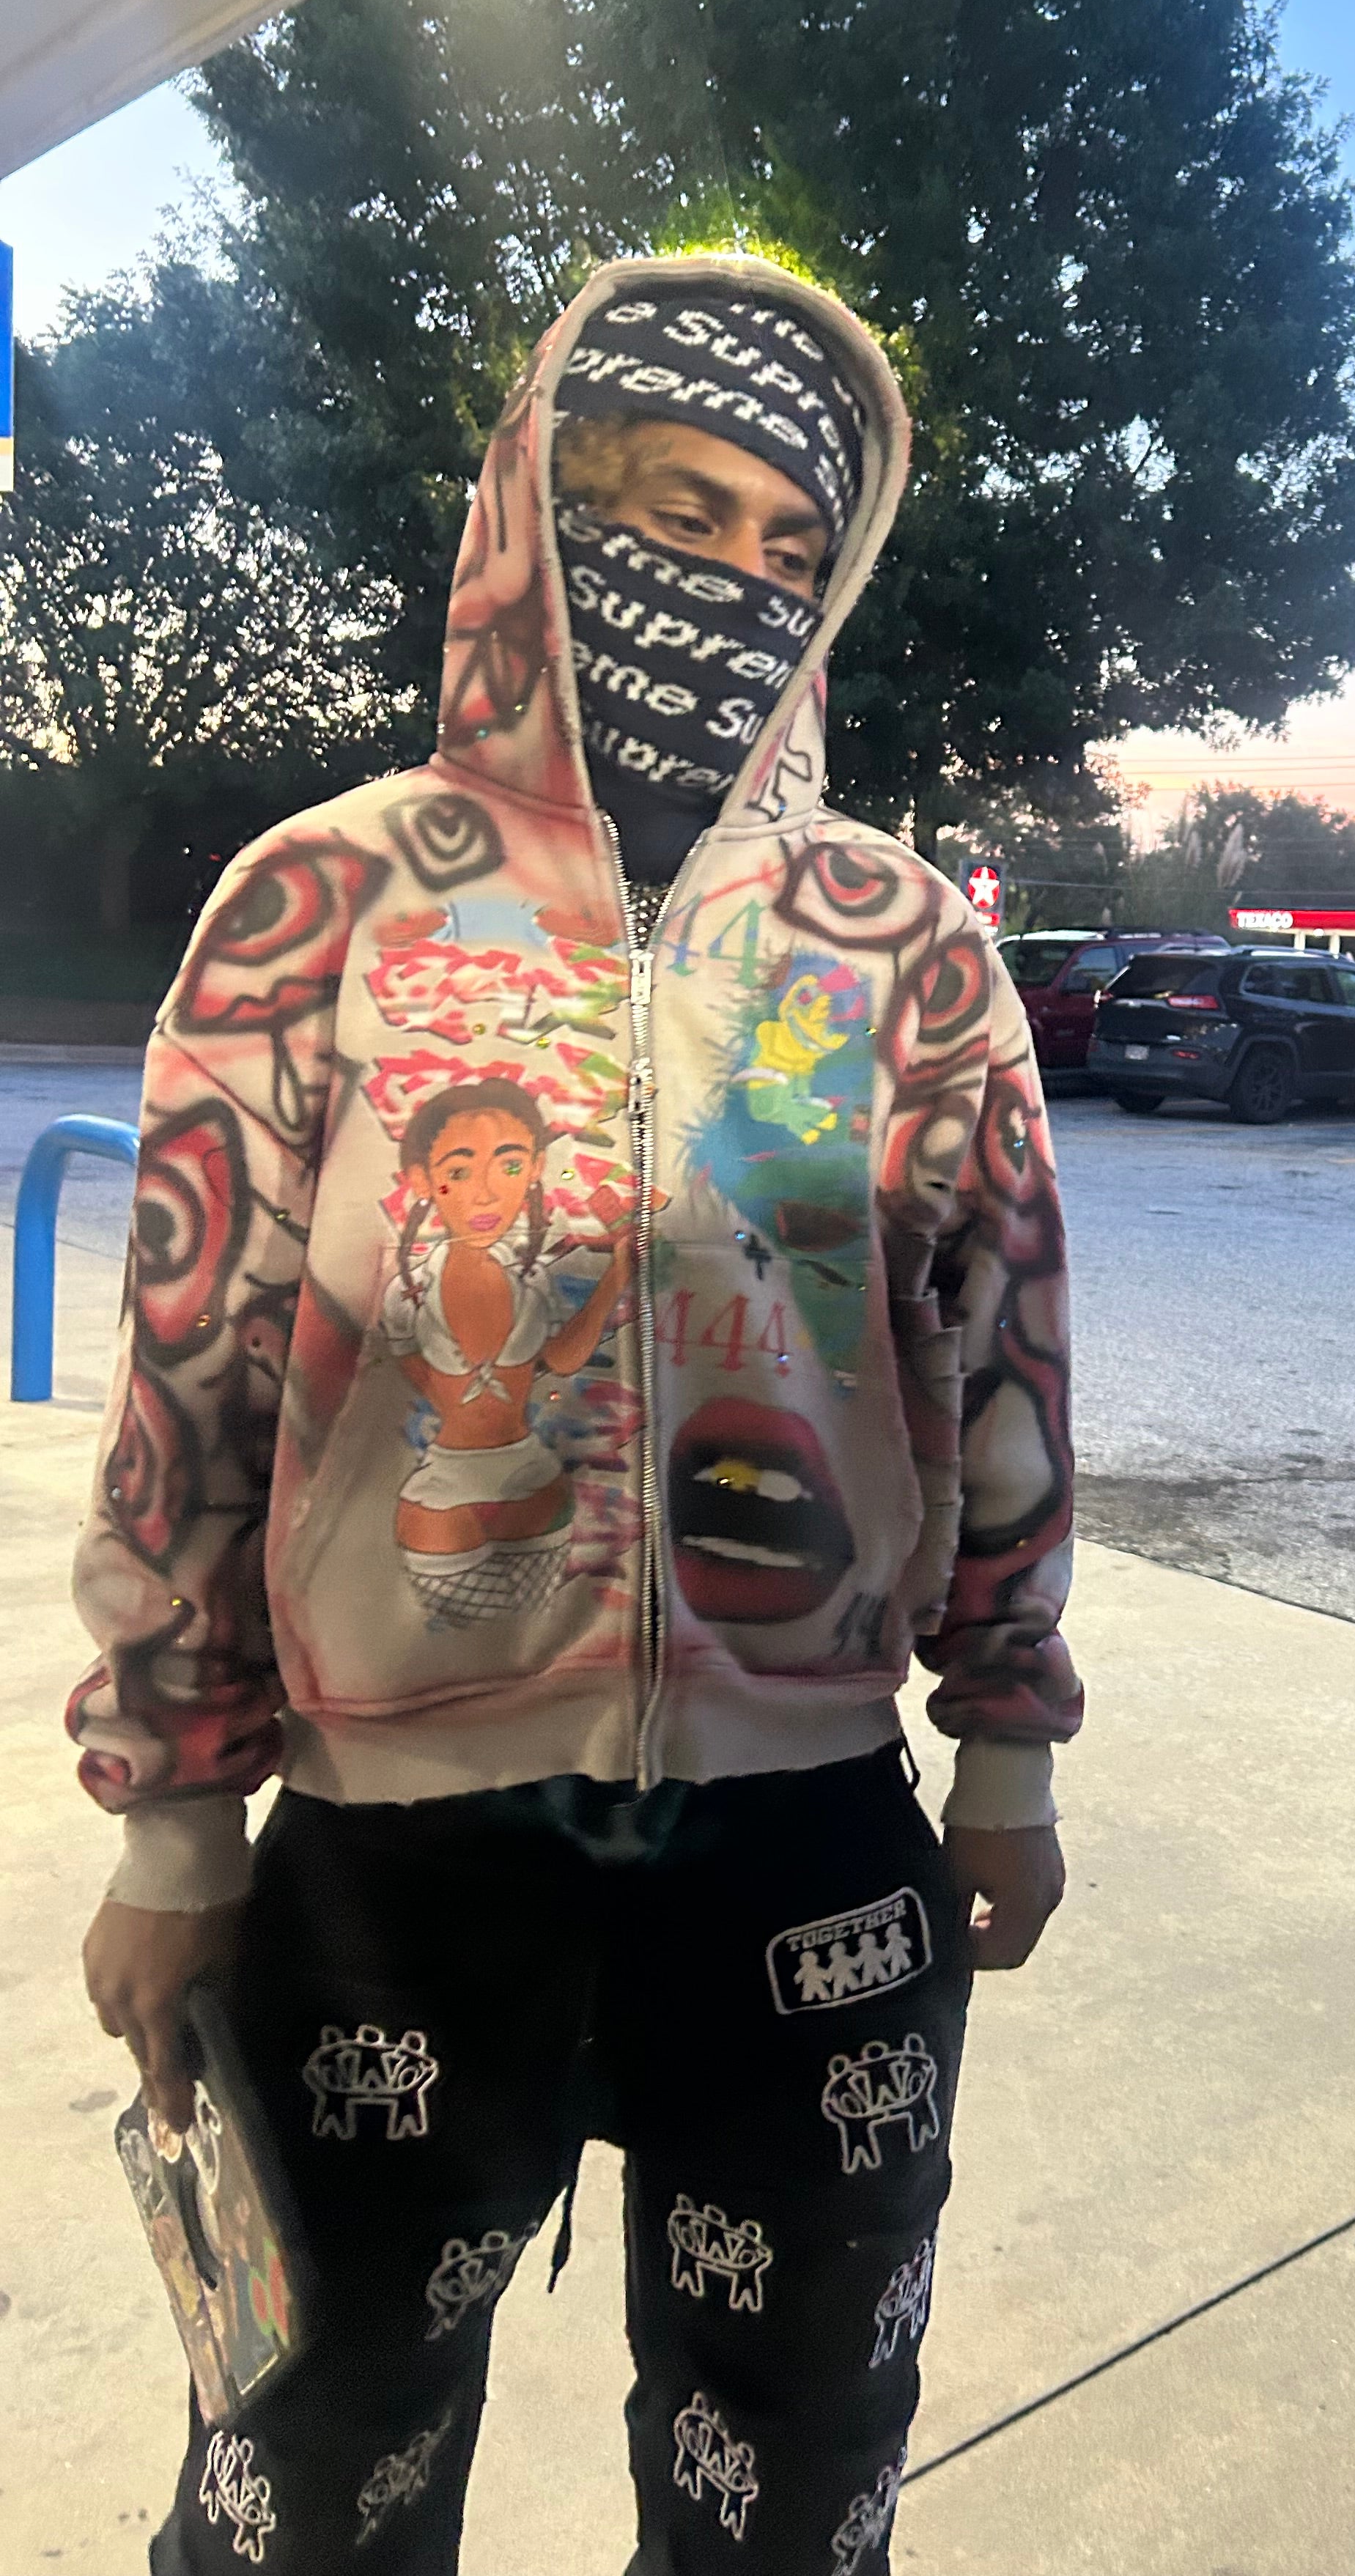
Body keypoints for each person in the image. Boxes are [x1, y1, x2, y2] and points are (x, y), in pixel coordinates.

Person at [71, 259, 1081, 2575]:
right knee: (306, 2480)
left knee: (794, 2485)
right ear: (543, 508)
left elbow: (1000, 1353)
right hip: (398, 1857)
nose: (732, 582)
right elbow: (195, 1379)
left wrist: (1009, 1746)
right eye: (678, 514)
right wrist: (174, 1820)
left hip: (804, 1836)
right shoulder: (324, 901)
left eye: (789, 546)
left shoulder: (901, 948)